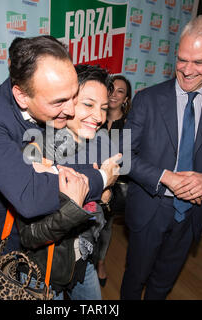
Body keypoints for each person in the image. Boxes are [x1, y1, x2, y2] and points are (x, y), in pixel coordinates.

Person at [0, 36, 119, 274]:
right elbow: (30, 194)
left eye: (74, 96)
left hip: (56, 241)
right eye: (59, 102)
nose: (70, 109)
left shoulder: (56, 101)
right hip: (6, 244)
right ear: (22, 96)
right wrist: (102, 179)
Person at [120, 14, 202, 300]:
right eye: (181, 59)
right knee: (134, 279)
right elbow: (120, 153)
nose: (186, 70)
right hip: (150, 209)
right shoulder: (146, 99)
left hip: (192, 215)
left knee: (164, 283)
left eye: (198, 62)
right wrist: (166, 178)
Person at [18, 64, 115, 300]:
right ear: (66, 102)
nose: (99, 117)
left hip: (83, 257)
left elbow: (107, 202)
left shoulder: (96, 143)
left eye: (104, 108)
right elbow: (30, 236)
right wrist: (90, 190)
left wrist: (106, 195)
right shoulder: (36, 149)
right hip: (44, 270)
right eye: (89, 105)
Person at [94, 74, 132, 287]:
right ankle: (87, 264)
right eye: (112, 89)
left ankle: (100, 262)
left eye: (120, 91)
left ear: (126, 98)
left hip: (114, 184)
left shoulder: (128, 124)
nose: (114, 95)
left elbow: (127, 159)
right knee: (89, 225)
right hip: (91, 179)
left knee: (106, 225)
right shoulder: (94, 117)